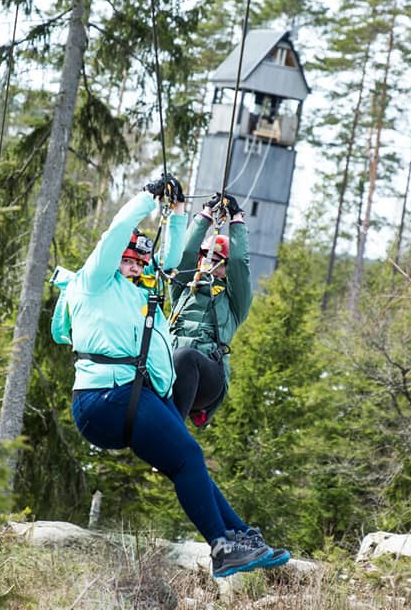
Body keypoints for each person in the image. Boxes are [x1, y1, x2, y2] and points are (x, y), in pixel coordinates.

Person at [63, 177, 289, 578]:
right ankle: (223, 546)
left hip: (152, 390)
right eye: (127, 260)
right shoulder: (95, 279)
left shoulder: (140, 293)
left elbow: (171, 263)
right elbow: (126, 238)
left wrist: (187, 214)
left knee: (189, 459)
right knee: (188, 456)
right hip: (108, 397)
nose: (133, 268)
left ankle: (238, 536)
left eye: (137, 262)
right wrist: (151, 199)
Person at [169, 192, 251, 428]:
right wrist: (205, 214)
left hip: (207, 374)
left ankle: (174, 431)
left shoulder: (234, 300)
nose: (207, 262)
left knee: (185, 358)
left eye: (215, 259)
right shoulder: (184, 288)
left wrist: (236, 220)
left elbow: (239, 264)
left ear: (224, 267)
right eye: (205, 257)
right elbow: (185, 254)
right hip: (170, 365)